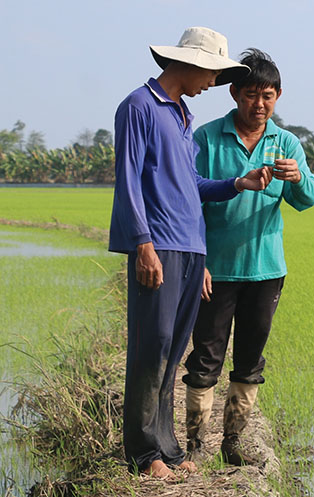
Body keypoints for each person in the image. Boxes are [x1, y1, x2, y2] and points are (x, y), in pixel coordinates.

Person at [108, 28, 272, 479]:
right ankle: (144, 454)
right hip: (158, 246)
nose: (215, 83)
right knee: (150, 346)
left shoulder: (182, 116)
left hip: (190, 248)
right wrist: (142, 244)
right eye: (215, 73)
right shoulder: (139, 107)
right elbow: (128, 180)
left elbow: (190, 186)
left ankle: (167, 446)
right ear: (193, 63)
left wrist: (238, 183)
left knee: (173, 349)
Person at [181, 48, 314, 465]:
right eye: (251, 95)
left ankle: (234, 441)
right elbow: (190, 199)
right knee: (206, 357)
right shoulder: (206, 137)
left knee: (250, 359)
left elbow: (308, 199)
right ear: (234, 94)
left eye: (269, 96)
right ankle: (195, 443)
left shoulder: (287, 142)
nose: (259, 105)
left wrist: (296, 179)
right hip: (215, 270)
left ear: (278, 96)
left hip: (265, 270)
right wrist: (198, 261)